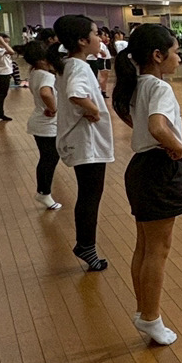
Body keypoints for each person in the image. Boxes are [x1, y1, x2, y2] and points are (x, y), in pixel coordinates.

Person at [112, 24, 182, 346]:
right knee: (158, 249)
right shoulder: (159, 87)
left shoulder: (135, 84)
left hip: (140, 167)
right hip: (158, 168)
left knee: (144, 245)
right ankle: (151, 317)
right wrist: (178, 147)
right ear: (157, 55)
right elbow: (157, 126)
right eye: (175, 52)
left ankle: (145, 311)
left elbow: (131, 117)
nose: (179, 58)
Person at [51, 15, 114, 271]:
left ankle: (86, 244)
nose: (100, 38)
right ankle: (86, 245)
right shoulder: (78, 66)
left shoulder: (70, 64)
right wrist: (94, 110)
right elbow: (76, 94)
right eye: (96, 34)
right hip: (87, 142)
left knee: (89, 193)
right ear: (82, 40)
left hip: (84, 141)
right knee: (90, 195)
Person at [20, 42, 62, 211]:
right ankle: (43, 192)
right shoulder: (46, 76)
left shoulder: (35, 73)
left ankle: (44, 192)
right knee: (49, 159)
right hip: (46, 124)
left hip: (41, 121)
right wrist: (53, 108)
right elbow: (45, 93)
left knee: (48, 158)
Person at [0, 32, 17, 121]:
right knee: (2, 94)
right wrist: (2, 42)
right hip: (3, 73)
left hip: (6, 72)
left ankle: (0, 112)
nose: (7, 44)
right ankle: (0, 112)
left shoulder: (1, 49)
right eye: (5, 42)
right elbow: (12, 52)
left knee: (3, 94)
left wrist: (4, 43)